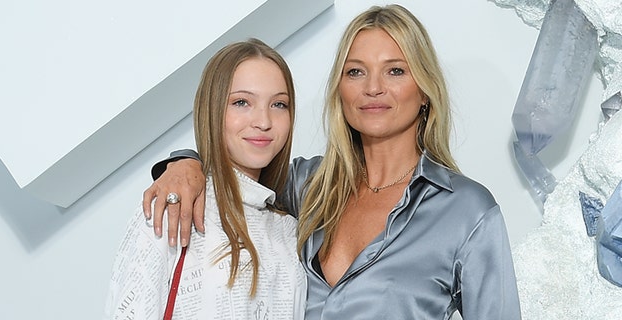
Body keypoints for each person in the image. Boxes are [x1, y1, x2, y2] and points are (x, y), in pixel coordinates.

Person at [144, 4, 521, 319]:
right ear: (340, 90)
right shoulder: (303, 185)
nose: (373, 87)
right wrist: (185, 163)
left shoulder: (466, 211)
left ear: (424, 90)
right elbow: (232, 176)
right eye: (355, 71)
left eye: (395, 70)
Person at [105, 38, 306, 320]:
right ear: (212, 110)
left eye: (279, 104)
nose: (263, 121)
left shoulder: (289, 230)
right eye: (241, 102)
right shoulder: (172, 203)